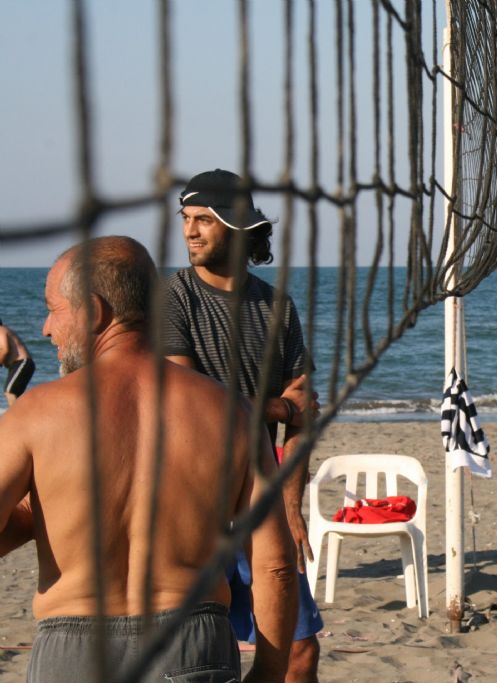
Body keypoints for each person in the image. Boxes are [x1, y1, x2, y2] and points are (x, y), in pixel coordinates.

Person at [0, 236, 297, 682]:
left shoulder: (34, 414)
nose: (45, 328)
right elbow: (274, 562)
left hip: (74, 650)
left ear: (93, 311)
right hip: (194, 644)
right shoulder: (233, 412)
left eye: (53, 308)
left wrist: (50, 506)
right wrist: (271, 672)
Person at [163, 169, 323, 682]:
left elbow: (307, 410)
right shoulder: (172, 299)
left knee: (299, 654)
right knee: (197, 658)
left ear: (237, 229)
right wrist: (276, 408)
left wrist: (292, 506)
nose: (190, 231)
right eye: (186, 220)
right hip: (191, 504)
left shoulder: (277, 306)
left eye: (203, 221)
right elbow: (196, 404)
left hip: (262, 500)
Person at [0, 318, 35, 406]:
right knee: (16, 394)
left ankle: (15, 417)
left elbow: (5, 349)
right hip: (18, 365)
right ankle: (25, 414)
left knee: (10, 391)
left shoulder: (1, 329)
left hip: (22, 363)